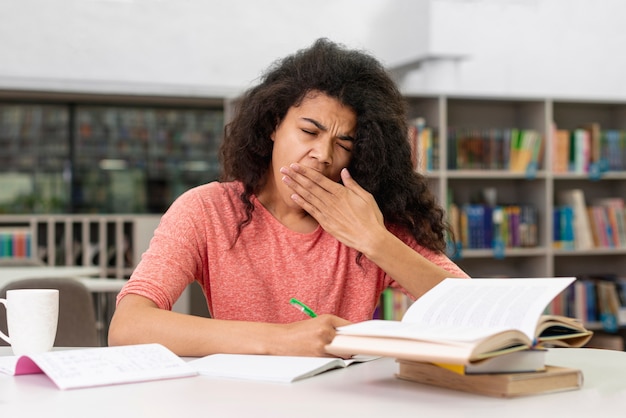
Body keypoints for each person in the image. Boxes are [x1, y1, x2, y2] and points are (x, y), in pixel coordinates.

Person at [108, 38, 469, 357]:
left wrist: (374, 240)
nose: (323, 154)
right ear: (272, 127)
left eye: (344, 143)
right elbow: (129, 327)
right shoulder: (207, 210)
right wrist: (282, 340)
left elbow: (477, 312)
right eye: (309, 131)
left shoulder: (368, 218)